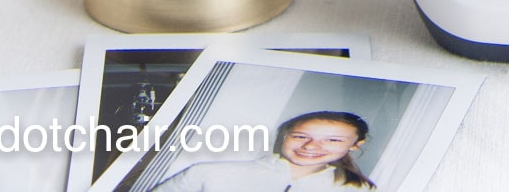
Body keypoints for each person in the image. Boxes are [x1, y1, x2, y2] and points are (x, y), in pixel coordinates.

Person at [158, 111, 373, 192]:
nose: (309, 147)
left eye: (332, 140)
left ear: (356, 144)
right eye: (300, 136)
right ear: (285, 135)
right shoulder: (208, 173)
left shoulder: (360, 189)